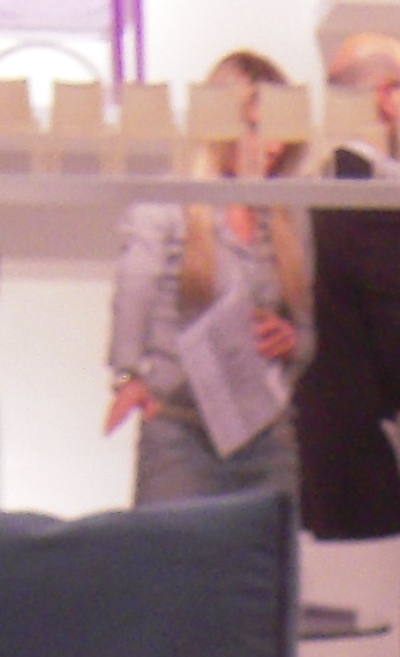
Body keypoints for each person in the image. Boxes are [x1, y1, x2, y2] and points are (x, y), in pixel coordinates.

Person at [295, 34, 400, 657]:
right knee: (383, 643)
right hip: (373, 463)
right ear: (388, 99)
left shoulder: (319, 189)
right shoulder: (374, 203)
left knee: (344, 643)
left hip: (327, 453)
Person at [109, 53, 315, 507]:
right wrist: (127, 377)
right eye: (257, 129)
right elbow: (132, 293)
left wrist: (291, 341)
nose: (274, 146)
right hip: (178, 429)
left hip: (266, 434)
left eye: (282, 131)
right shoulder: (167, 201)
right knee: (174, 552)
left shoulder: (288, 215)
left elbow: (308, 334)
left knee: (264, 553)